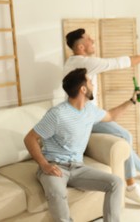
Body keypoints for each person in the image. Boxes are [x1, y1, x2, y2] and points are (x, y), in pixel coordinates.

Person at [63, 28, 140, 204]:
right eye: (89, 39)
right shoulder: (84, 63)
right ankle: (131, 185)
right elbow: (119, 62)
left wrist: (131, 101)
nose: (93, 40)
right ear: (80, 46)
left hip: (87, 114)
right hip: (84, 119)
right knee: (125, 135)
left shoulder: (71, 62)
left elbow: (108, 115)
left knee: (123, 136)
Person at [24, 68, 127, 222]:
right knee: (57, 193)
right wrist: (44, 165)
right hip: (55, 166)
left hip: (78, 167)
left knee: (116, 182)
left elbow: (111, 115)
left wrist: (131, 101)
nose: (93, 84)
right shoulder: (57, 114)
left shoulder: (90, 110)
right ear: (83, 89)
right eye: (90, 82)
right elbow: (30, 138)